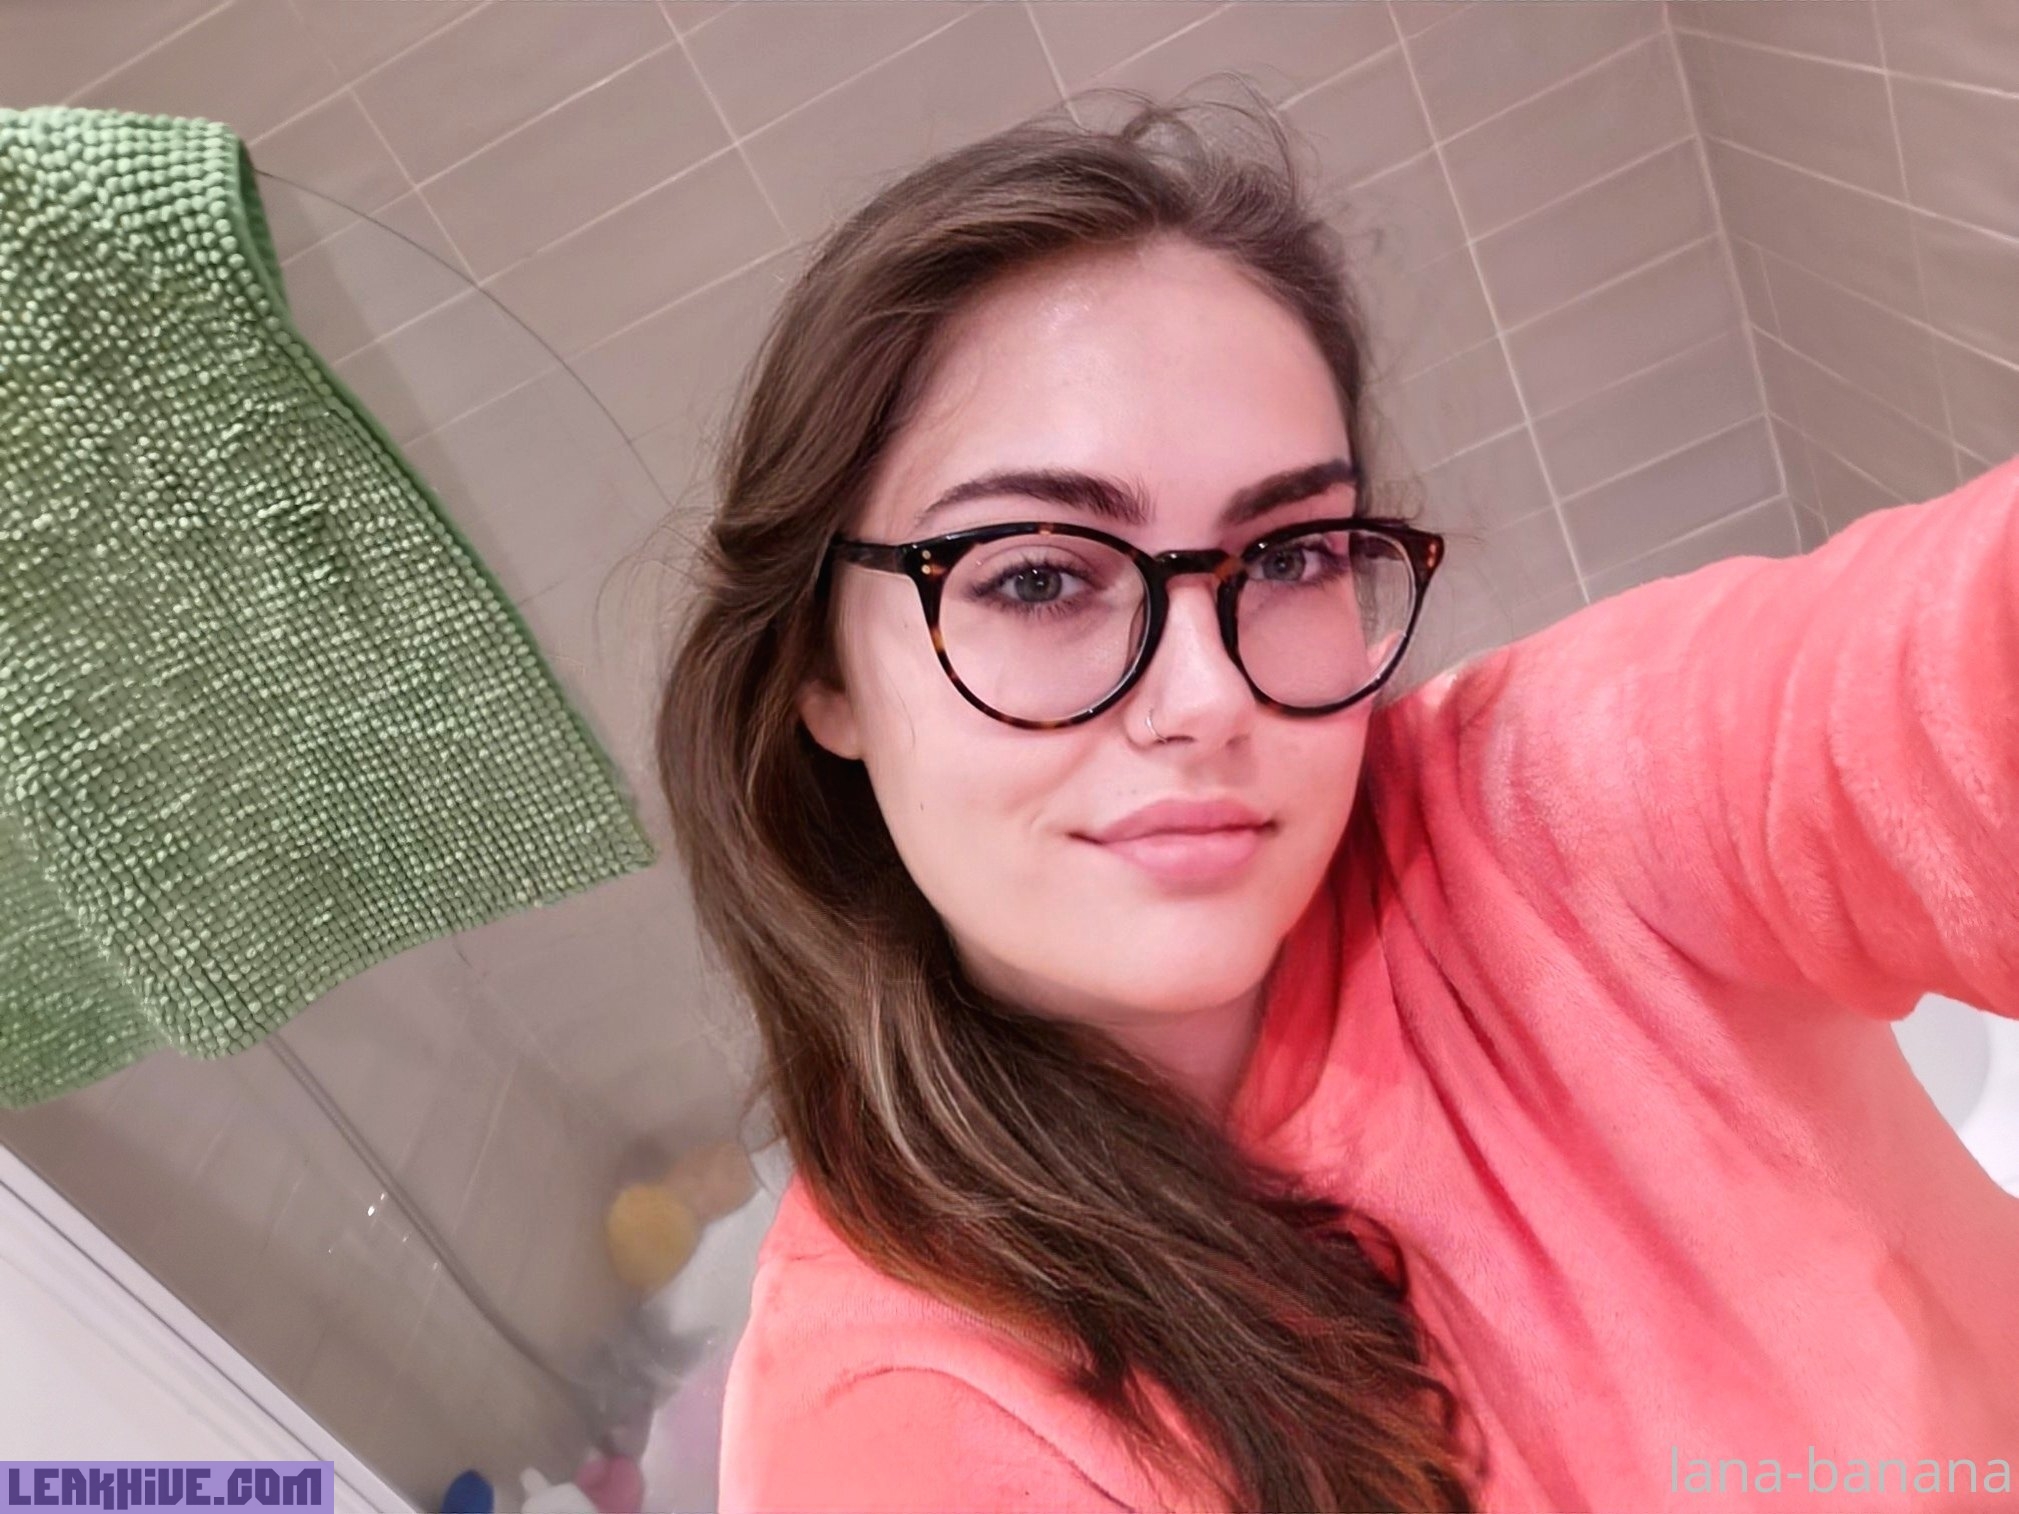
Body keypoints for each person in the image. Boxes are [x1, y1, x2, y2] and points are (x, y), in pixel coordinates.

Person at [654, 87, 2019, 1513]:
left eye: (1292, 556)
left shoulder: (1546, 807)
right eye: (1040, 577)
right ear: (821, 670)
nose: (1205, 697)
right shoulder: (891, 1416)